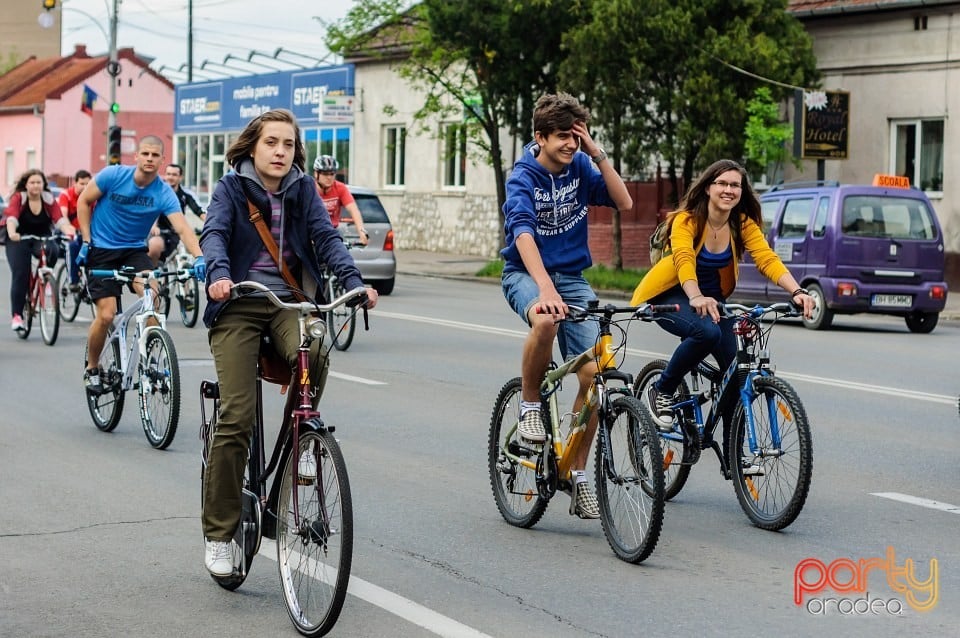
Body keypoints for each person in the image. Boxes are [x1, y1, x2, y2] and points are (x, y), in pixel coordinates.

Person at [199, 109, 378, 577]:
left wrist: (355, 281)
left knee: (316, 345)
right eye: (271, 143)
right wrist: (219, 276)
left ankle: (302, 441)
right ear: (253, 147)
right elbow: (214, 234)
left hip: (287, 303)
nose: (281, 151)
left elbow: (325, 238)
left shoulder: (302, 189)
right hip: (238, 302)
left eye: (288, 144)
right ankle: (220, 534)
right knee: (236, 415)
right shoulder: (231, 188)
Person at [500, 92, 633, 520]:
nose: (571, 145)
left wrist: (598, 153)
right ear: (540, 137)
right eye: (563, 137)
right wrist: (544, 288)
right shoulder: (522, 176)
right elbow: (523, 234)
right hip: (526, 273)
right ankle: (529, 404)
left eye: (575, 136)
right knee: (544, 320)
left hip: (572, 279)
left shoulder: (580, 163)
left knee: (596, 378)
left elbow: (624, 202)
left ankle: (576, 473)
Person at [630, 159, 814, 437]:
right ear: (707, 188)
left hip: (713, 300)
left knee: (736, 370)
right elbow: (683, 259)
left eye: (735, 185)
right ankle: (662, 389)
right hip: (671, 294)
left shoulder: (742, 224)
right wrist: (695, 296)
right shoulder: (687, 220)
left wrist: (797, 291)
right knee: (706, 333)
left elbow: (767, 258)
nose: (729, 190)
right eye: (722, 183)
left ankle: (734, 457)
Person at [77, 135, 205, 394]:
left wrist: (199, 256)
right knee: (107, 315)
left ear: (162, 159)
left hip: (134, 250)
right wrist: (86, 240)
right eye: (145, 154)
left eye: (155, 155)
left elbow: (182, 227)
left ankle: (149, 356)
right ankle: (92, 368)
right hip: (101, 249)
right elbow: (83, 201)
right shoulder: (113, 175)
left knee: (152, 295)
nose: (149, 159)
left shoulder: (163, 192)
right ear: (136, 156)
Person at [4, 169, 74, 332]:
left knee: (53, 249)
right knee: (21, 273)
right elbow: (12, 217)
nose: (36, 186)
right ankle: (17, 316)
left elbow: (59, 218)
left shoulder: (48, 199)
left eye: (39, 182)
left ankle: (46, 279)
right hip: (18, 238)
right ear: (26, 185)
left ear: (44, 184)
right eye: (32, 182)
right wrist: (12, 232)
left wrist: (68, 229)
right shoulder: (19, 198)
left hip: (40, 236)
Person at [147, 163, 206, 265]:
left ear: (180, 177)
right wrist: (154, 225)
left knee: (196, 250)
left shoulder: (185, 194)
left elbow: (198, 210)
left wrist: (211, 223)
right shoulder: (158, 191)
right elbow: (154, 210)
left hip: (178, 232)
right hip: (160, 232)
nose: (170, 177)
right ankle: (152, 274)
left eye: (174, 175)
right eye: (168, 174)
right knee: (154, 246)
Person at [313, 154, 368, 245]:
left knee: (342, 257)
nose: (329, 177)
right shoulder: (309, 189)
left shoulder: (340, 188)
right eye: (325, 173)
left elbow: (354, 210)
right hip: (312, 232)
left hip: (332, 232)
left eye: (332, 174)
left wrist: (362, 232)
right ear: (316, 174)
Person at [57, 169, 93, 290]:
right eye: (82, 184)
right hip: (69, 232)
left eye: (87, 184)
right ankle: (73, 280)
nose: (85, 187)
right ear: (75, 183)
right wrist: (68, 228)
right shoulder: (66, 195)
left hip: (85, 232)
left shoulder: (93, 196)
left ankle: (92, 278)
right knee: (72, 246)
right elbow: (63, 214)